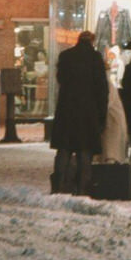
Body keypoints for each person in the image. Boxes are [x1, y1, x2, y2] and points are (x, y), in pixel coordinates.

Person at [50, 29, 107, 194]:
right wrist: (101, 115)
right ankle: (83, 187)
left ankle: (58, 186)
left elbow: (60, 79)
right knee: (84, 150)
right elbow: (102, 89)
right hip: (88, 112)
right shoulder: (95, 58)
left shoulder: (65, 56)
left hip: (66, 110)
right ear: (92, 41)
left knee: (64, 149)